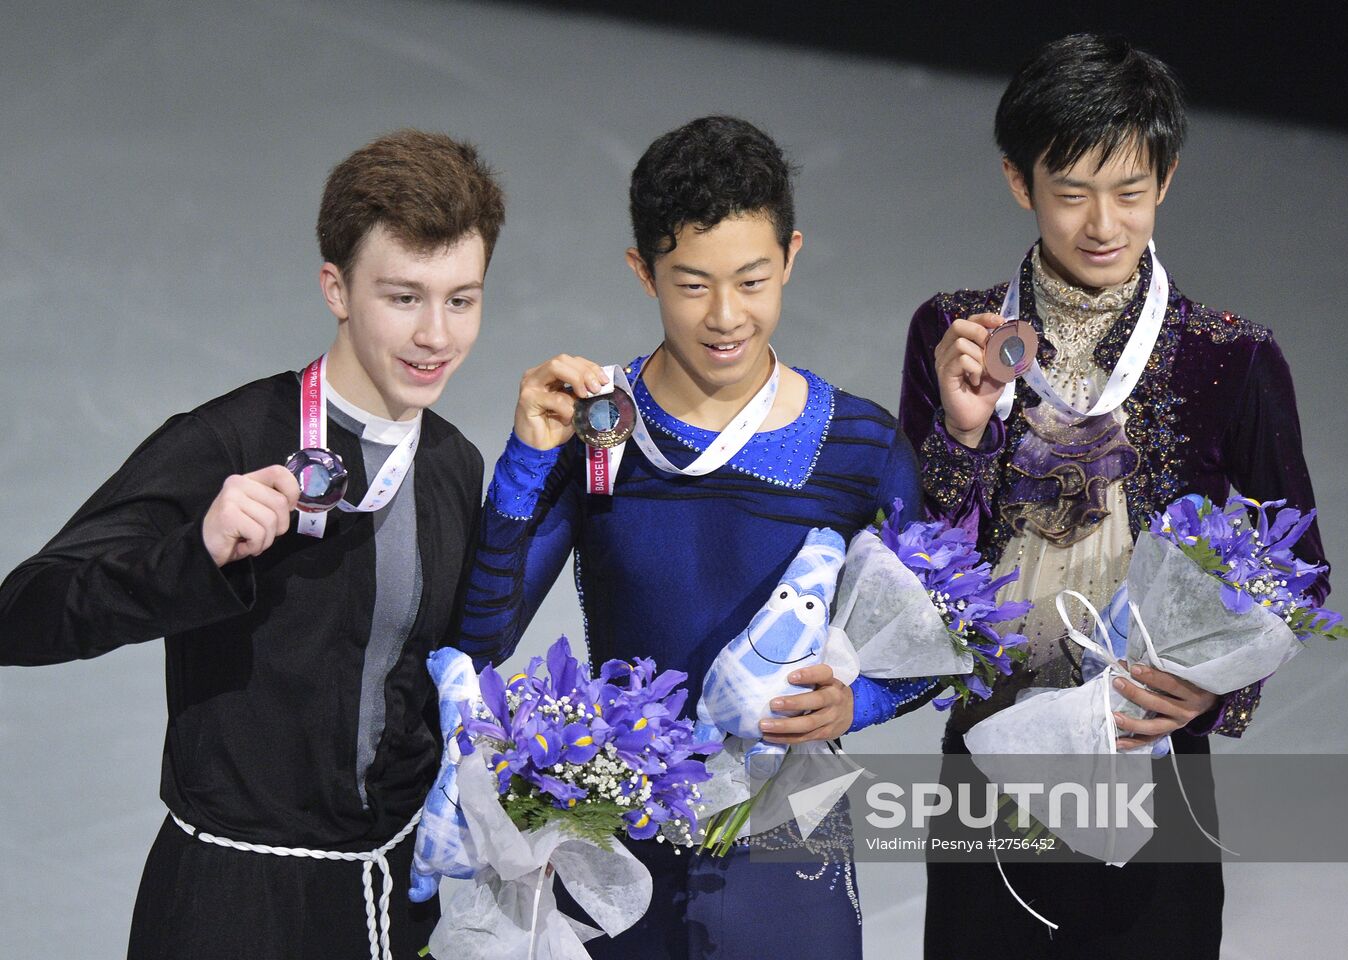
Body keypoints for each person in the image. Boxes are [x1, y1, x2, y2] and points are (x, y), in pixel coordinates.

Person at [0, 130, 504, 960]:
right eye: (403, 297)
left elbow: (445, 668)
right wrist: (192, 554)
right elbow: (25, 614)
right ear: (336, 290)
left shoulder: (451, 462)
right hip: (234, 904)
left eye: (461, 299)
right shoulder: (228, 442)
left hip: (400, 898)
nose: (436, 336)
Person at [458, 115, 929, 959]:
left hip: (791, 851)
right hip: (620, 849)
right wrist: (527, 465)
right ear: (643, 272)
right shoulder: (595, 428)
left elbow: (925, 650)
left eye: (752, 280)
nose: (724, 317)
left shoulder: (861, 447)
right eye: (691, 284)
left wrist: (862, 703)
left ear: (790, 255)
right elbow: (480, 636)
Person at [899, 34, 1328, 958]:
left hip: (1151, 753)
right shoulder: (956, 332)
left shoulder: (1233, 357)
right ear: (1020, 181)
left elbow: (1301, 574)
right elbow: (914, 556)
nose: (1102, 222)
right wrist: (965, 432)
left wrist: (1204, 700)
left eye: (1129, 191)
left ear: (1166, 178)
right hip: (994, 752)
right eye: (1072, 191)